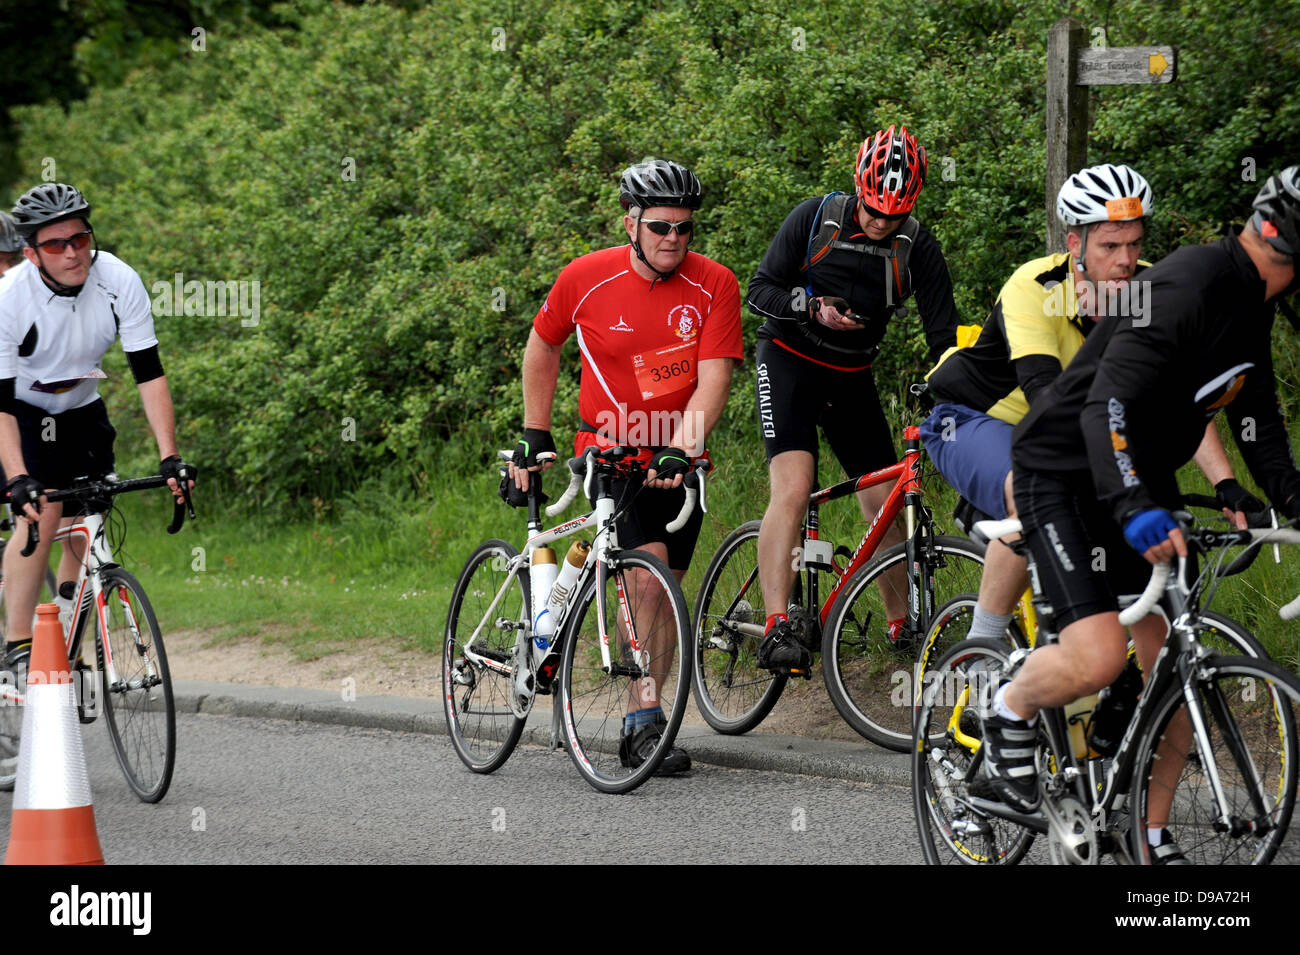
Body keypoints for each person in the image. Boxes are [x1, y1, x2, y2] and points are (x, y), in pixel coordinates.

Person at [977, 165, 1300, 864]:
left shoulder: (1250, 303)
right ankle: (1005, 708)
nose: (1129, 251)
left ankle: (1147, 834)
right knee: (1096, 657)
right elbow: (1105, 404)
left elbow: (1257, 420)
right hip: (1062, 473)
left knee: (1172, 674)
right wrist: (1133, 506)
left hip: (1135, 481)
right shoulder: (1192, 283)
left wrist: (1290, 501)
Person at [920, 164, 1261, 648]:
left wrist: (1226, 484)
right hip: (977, 417)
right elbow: (1044, 395)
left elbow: (1183, 400)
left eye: (1135, 244)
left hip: (1071, 426)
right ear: (1075, 244)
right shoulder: (1034, 286)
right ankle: (983, 645)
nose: (1126, 260)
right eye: (1109, 246)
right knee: (1033, 487)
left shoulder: (1153, 293)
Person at [511, 159, 743, 774]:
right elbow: (544, 343)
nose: (674, 238)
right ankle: (645, 723)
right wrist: (537, 429)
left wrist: (684, 445)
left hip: (676, 457)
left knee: (664, 593)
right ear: (631, 223)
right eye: (661, 225)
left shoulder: (715, 284)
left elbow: (714, 378)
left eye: (685, 228)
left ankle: (644, 702)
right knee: (645, 578)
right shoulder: (586, 277)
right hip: (610, 452)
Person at [747, 125, 959, 672]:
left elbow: (944, 339)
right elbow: (760, 290)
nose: (880, 223)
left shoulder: (919, 249)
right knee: (794, 487)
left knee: (887, 502)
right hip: (788, 361)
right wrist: (813, 307)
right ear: (858, 190)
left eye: (894, 216)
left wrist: (953, 395)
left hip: (851, 376)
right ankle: (775, 626)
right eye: (872, 211)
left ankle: (900, 626)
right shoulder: (815, 218)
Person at [0, 183, 195, 667]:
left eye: (80, 239)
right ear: (31, 253)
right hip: (21, 411)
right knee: (40, 516)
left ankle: (66, 632)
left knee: (92, 512)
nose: (72, 253)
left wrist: (169, 456)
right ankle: (19, 644)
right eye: (55, 245)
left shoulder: (118, 279)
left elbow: (148, 372)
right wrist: (18, 476)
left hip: (83, 405)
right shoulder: (9, 298)